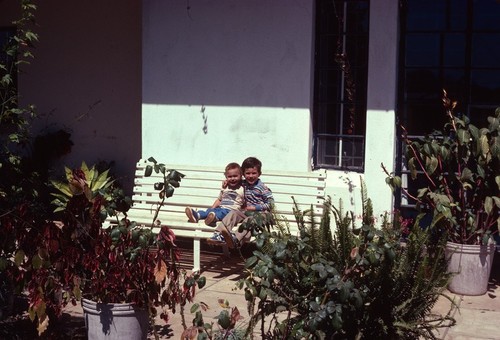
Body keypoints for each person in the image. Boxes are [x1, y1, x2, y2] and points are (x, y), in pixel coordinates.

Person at [207, 156, 274, 248]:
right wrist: (226, 182)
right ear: (243, 174)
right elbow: (234, 180)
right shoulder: (244, 183)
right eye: (247, 173)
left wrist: (255, 207)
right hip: (248, 212)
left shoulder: (263, 188)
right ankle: (219, 235)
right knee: (234, 213)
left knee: (249, 220)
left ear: (259, 173)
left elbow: (271, 204)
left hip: (263, 214)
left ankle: (235, 238)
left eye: (254, 173)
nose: (250, 176)